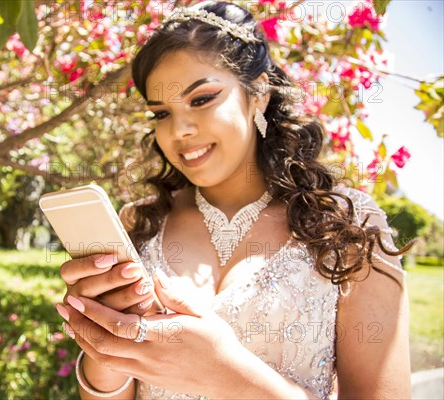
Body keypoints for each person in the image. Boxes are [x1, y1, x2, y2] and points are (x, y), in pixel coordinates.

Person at [54, 1, 412, 399]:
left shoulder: (349, 225)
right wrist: (105, 350)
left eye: (202, 99)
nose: (179, 130)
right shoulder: (140, 222)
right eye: (161, 114)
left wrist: (225, 374)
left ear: (258, 93)